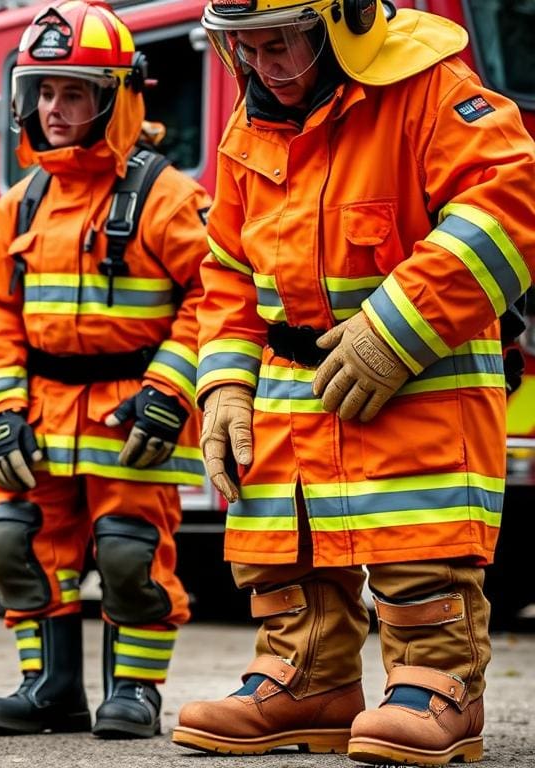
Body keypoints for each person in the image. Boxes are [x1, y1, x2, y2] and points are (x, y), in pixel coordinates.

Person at [171, 0, 535, 765]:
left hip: (418, 387)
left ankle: (439, 684)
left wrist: (395, 330)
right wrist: (224, 390)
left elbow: (508, 205)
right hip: (292, 402)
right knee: (288, 546)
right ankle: (305, 679)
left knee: (417, 545)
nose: (264, 69)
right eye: (245, 50)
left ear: (343, 23)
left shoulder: (431, 89)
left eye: (281, 48)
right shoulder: (250, 130)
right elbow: (228, 276)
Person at [0, 0, 210, 740]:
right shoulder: (21, 204)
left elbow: (215, 298)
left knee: (131, 554)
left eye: (74, 92)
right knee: (16, 542)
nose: (55, 108)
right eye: (44, 91)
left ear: (116, 98)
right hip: (40, 413)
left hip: (130, 415)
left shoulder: (167, 197)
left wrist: (169, 392)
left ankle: (133, 692)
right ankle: (48, 688)